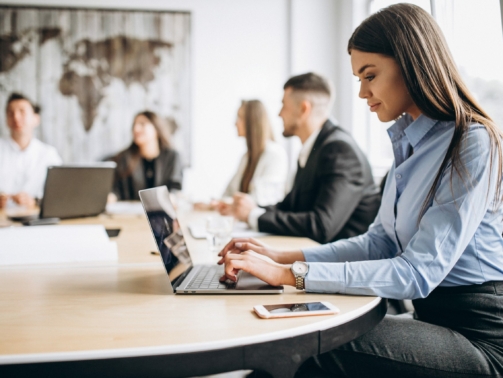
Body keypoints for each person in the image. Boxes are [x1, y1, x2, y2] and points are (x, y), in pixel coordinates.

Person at [219, 4, 503, 377]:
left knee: (304, 348)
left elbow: (416, 273)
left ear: (412, 64)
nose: (362, 92)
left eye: (370, 76)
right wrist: (280, 257)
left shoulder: (471, 141)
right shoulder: (409, 143)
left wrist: (290, 274)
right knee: (290, 336)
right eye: (358, 78)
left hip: (477, 335)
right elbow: (378, 243)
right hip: (431, 317)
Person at [231, 73, 380, 244]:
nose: (279, 114)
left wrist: (253, 216)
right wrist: (251, 208)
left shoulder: (340, 151)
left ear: (303, 109)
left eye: (283, 105)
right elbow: (290, 207)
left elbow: (322, 226)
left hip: (345, 263)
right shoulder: (315, 147)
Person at [195, 100, 288, 213]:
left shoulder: (275, 154)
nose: (235, 123)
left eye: (240, 118)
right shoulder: (246, 157)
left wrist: (222, 203)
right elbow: (229, 192)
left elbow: (259, 200)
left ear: (252, 121)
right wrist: (211, 204)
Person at [0, 93, 62, 209]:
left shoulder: (49, 155)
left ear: (36, 119)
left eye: (22, 112)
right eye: (10, 113)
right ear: (6, 120)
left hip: (36, 222)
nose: (16, 117)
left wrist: (35, 202)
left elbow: (61, 195)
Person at [110, 111, 183, 200]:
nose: (136, 129)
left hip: (161, 211)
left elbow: (175, 187)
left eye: (142, 124)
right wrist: (112, 196)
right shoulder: (124, 158)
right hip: (129, 212)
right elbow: (117, 189)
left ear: (156, 128)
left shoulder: (172, 157)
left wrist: (172, 197)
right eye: (134, 125)